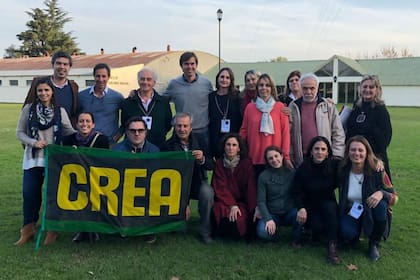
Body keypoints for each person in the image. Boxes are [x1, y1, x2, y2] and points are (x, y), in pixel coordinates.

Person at [15, 78, 76, 246]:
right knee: (30, 194)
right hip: (33, 159)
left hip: (53, 160)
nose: (43, 93)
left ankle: (52, 229)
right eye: (40, 90)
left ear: (52, 92)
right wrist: (33, 142)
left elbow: (69, 131)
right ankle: (27, 229)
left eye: (46, 90)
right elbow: (19, 132)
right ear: (36, 92)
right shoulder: (29, 109)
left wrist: (84, 136)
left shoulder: (59, 111)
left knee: (52, 196)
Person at [338, 135, 397, 261]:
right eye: (353, 150)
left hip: (371, 209)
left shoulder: (378, 170)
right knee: (347, 233)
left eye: (360, 150)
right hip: (353, 210)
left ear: (367, 152)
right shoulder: (342, 170)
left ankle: (373, 243)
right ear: (348, 152)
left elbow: (394, 198)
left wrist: (382, 193)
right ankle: (356, 232)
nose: (356, 153)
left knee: (381, 205)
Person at [163, 112, 215, 244]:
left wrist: (202, 159)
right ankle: (176, 222)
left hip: (197, 181)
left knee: (207, 192)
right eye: (179, 126)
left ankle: (205, 231)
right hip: (177, 186)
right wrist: (183, 202)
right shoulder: (167, 146)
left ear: (191, 127)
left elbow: (211, 165)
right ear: (174, 127)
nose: (182, 129)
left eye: (185, 126)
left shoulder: (201, 141)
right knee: (180, 230)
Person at [62, 112, 109, 243]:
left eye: (88, 121)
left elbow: (104, 161)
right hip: (75, 178)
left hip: (95, 178)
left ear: (93, 124)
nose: (84, 124)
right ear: (76, 124)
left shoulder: (102, 140)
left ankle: (93, 229)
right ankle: (81, 229)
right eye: (81, 121)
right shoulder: (68, 140)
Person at [293, 136, 341, 264]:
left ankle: (332, 247)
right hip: (310, 205)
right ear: (311, 151)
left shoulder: (334, 165)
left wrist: (376, 162)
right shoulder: (304, 168)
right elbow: (296, 190)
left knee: (330, 209)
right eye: (317, 149)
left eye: (323, 149)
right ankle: (311, 231)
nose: (320, 152)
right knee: (318, 227)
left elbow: (354, 162)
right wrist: (301, 208)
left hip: (328, 203)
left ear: (327, 152)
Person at [112, 116, 159, 243]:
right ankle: (124, 226)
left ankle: (149, 229)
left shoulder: (154, 150)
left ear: (145, 132)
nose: (137, 133)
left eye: (140, 130)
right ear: (127, 132)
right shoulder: (117, 150)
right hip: (124, 189)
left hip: (147, 188)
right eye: (133, 131)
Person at [239, 73, 292, 177]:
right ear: (257, 88)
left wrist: (285, 156)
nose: (264, 88)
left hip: (275, 158)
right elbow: (243, 130)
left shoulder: (280, 107)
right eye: (261, 85)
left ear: (272, 88)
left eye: (267, 85)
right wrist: (238, 148)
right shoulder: (250, 107)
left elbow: (285, 134)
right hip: (255, 157)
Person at [289, 73, 345, 168]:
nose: (308, 91)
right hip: (302, 158)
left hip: (324, 157)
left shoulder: (328, 105)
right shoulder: (293, 106)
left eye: (312, 88)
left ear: (317, 88)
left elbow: (338, 132)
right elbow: (289, 134)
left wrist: (337, 155)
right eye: (305, 88)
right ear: (300, 88)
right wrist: (290, 155)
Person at [163, 52, 213, 151]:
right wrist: (136, 93)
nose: (189, 67)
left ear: (196, 65)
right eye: (186, 64)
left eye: (192, 64)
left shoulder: (206, 83)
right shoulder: (174, 84)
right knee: (180, 163)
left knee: (203, 162)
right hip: (181, 132)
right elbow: (160, 100)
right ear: (181, 66)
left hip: (202, 132)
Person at [345, 75, 393, 181]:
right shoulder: (357, 107)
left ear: (377, 90)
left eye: (371, 87)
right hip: (355, 156)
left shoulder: (380, 110)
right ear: (360, 89)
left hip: (373, 159)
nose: (367, 90)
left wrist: (378, 158)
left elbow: (386, 137)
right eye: (365, 87)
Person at [211, 133, 256, 240]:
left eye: (234, 145)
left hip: (241, 202)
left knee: (240, 216)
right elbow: (220, 186)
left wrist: (253, 208)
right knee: (218, 210)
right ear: (224, 147)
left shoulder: (246, 164)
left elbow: (250, 188)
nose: (231, 148)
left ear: (239, 148)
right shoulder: (219, 164)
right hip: (225, 201)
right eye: (228, 144)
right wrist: (232, 205)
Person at [256, 146, 301, 247]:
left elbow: (299, 193)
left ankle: (296, 239)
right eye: (270, 158)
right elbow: (261, 201)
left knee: (300, 215)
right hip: (272, 213)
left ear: (281, 156)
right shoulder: (263, 176)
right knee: (262, 232)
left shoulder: (292, 173)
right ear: (267, 161)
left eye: (276, 156)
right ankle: (275, 234)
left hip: (289, 211)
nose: (274, 160)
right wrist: (268, 218)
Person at [122, 68, 172, 150]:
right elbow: (125, 123)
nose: (145, 82)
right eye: (142, 79)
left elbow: (168, 125)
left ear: (154, 82)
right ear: (138, 81)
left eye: (149, 79)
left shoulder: (163, 102)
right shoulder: (128, 103)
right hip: (132, 148)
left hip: (157, 146)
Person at [23, 51, 79, 125]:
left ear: (69, 67)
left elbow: (74, 113)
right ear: (53, 65)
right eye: (58, 63)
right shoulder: (39, 83)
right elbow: (27, 108)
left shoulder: (73, 86)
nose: (62, 67)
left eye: (65, 64)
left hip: (65, 133)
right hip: (43, 132)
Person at [77, 63, 124, 145]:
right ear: (94, 76)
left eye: (104, 76)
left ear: (108, 77)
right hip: (87, 143)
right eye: (98, 76)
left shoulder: (117, 97)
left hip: (110, 142)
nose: (101, 79)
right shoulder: (81, 96)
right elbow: (75, 116)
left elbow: (127, 117)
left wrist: (120, 133)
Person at [208, 67, 242, 158]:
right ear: (217, 78)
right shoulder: (211, 97)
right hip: (215, 137)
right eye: (222, 77)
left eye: (227, 77)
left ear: (231, 80)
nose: (224, 80)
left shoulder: (237, 96)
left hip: (232, 138)